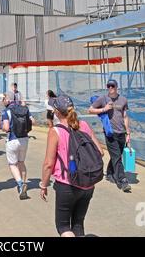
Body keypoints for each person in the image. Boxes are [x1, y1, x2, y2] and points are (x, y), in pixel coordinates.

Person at [40, 94, 104, 237]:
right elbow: (100, 152)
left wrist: (43, 185)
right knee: (78, 224)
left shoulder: (55, 131)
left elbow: (48, 164)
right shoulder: (84, 126)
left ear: (56, 112)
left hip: (67, 184)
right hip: (88, 183)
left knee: (63, 227)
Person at [88, 79, 132, 193]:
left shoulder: (123, 100)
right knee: (117, 157)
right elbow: (90, 110)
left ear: (117, 87)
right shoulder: (103, 99)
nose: (110, 88)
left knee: (116, 155)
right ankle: (122, 180)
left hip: (121, 132)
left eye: (112, 86)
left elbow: (125, 116)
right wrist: (104, 109)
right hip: (110, 133)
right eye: (108, 86)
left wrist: (128, 133)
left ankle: (109, 173)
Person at [1, 92, 35, 200]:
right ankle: (24, 183)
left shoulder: (6, 111)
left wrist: (2, 126)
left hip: (12, 139)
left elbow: (6, 128)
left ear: (8, 100)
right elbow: (33, 121)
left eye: (4, 99)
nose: (3, 101)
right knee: (21, 162)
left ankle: (20, 184)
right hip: (24, 139)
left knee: (12, 164)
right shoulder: (25, 109)